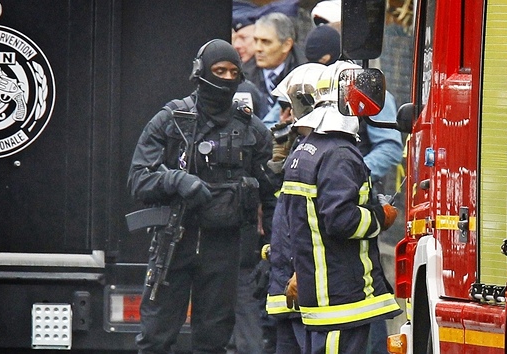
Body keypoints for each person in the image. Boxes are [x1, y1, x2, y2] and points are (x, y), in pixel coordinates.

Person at [128, 39, 276, 354]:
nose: (224, 78)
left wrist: (272, 253)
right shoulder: (171, 121)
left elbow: (274, 197)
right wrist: (175, 180)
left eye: (232, 72)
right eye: (218, 70)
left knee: (214, 341)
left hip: (224, 251)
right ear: (200, 71)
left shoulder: (253, 132)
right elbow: (138, 180)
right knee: (155, 338)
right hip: (174, 242)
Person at [280, 61, 402, 354]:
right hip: (340, 298)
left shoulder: (307, 151)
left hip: (320, 292)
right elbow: (341, 220)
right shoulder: (339, 154)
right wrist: (379, 216)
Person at [263, 62, 326, 354]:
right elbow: (285, 215)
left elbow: (321, 222)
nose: (283, 117)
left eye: (288, 108)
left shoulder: (323, 155)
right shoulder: (296, 151)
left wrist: (302, 270)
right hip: (286, 290)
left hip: (306, 289)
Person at [243, 12, 307, 124]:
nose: (258, 48)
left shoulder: (304, 76)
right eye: (255, 40)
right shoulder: (242, 76)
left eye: (266, 42)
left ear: (287, 45)